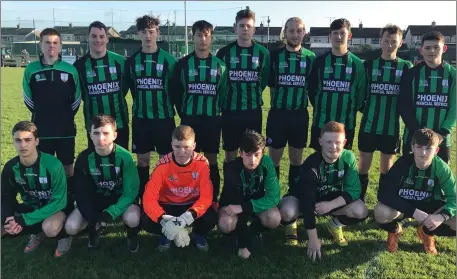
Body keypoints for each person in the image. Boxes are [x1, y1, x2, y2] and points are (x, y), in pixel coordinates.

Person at [280, 121, 368, 260]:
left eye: (338, 142)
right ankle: (291, 225)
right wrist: (313, 239)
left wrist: (331, 205)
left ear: (344, 142)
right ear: (320, 142)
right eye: (328, 142)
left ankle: (334, 225)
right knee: (287, 210)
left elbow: (354, 190)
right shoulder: (312, 164)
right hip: (303, 200)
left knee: (361, 210)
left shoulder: (348, 157)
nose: (334, 147)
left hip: (328, 201)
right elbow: (307, 200)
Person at [170, 20, 228, 205]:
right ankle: (187, 198)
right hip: (189, 120)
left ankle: (213, 199)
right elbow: (176, 93)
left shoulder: (220, 66)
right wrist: (184, 113)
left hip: (212, 121)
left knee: (211, 160)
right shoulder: (182, 65)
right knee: (187, 159)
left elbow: (224, 94)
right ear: (192, 37)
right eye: (198, 35)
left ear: (211, 38)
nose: (202, 39)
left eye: (206, 35)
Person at [64, 115, 141, 253]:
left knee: (133, 217)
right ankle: (95, 230)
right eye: (96, 133)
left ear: (115, 135)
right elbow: (81, 193)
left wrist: (111, 213)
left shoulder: (125, 157)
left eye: (106, 133)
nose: (101, 138)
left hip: (120, 199)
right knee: (71, 226)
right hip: (96, 201)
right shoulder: (84, 158)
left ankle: (132, 235)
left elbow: (131, 191)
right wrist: (92, 217)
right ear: (90, 135)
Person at [375, 128, 456, 254]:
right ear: (412, 147)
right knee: (381, 211)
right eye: (419, 147)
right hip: (404, 206)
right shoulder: (403, 163)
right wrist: (413, 212)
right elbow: (384, 193)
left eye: (429, 148)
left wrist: (441, 216)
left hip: (430, 207)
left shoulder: (442, 168)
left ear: (436, 151)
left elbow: (454, 197)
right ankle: (395, 230)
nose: (423, 153)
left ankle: (426, 232)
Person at [357, 25, 413, 201]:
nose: (390, 45)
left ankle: (383, 200)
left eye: (394, 41)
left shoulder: (406, 67)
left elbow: (407, 97)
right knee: (364, 164)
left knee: (386, 167)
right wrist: (365, 108)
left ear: (400, 43)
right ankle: (359, 198)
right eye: (386, 40)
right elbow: (360, 94)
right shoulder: (368, 65)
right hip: (368, 125)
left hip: (392, 127)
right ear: (380, 41)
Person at [125, 15, 177, 202]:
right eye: (144, 32)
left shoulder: (169, 61)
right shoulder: (131, 62)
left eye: (151, 31)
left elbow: (176, 89)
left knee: (165, 161)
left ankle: (165, 198)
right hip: (141, 119)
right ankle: (144, 199)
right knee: (143, 161)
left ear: (158, 32)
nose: (148, 35)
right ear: (138, 33)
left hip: (164, 119)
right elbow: (129, 87)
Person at [141, 125, 217, 252]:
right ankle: (167, 234)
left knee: (211, 217)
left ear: (194, 146)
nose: (182, 152)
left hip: (191, 204)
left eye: (186, 147)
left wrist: (187, 217)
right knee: (146, 220)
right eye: (177, 147)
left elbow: (206, 197)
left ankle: (198, 234)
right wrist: (165, 220)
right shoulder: (162, 165)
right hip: (168, 205)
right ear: (171, 145)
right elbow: (149, 198)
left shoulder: (202, 163)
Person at [1, 121, 72, 257]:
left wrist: (23, 220)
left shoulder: (53, 165)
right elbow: (5, 195)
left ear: (37, 141)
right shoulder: (11, 167)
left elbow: (59, 202)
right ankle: (37, 232)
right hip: (31, 207)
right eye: (18, 140)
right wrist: (8, 218)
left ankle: (64, 236)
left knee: (50, 228)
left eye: (28, 140)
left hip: (55, 210)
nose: (23, 145)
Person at [22, 27, 81, 188]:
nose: (51, 46)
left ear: (60, 45)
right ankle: (46, 202)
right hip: (41, 129)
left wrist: (65, 115)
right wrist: (42, 113)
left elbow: (77, 99)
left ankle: (68, 203)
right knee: (43, 168)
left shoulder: (70, 70)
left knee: (68, 168)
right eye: (47, 42)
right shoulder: (31, 70)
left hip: (66, 129)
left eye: (55, 42)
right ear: (41, 45)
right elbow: (28, 99)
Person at [216, 8, 270, 164]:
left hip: (252, 111)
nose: (245, 29)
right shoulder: (224, 53)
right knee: (230, 152)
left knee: (252, 152)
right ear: (235, 28)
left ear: (254, 29)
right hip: (230, 112)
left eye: (248, 26)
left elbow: (264, 79)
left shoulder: (263, 53)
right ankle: (231, 187)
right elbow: (220, 81)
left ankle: (250, 187)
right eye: (241, 26)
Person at [218, 130, 281, 259]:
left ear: (262, 153)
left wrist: (245, 207)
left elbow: (274, 197)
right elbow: (236, 207)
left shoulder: (267, 163)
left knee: (274, 217)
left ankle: (254, 232)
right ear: (241, 153)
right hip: (233, 206)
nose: (252, 160)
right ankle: (234, 236)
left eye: (257, 154)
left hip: (252, 205)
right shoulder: (232, 168)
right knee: (226, 223)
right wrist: (243, 246)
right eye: (248, 154)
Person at [267, 17, 315, 183]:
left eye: (299, 30)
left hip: (299, 115)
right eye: (291, 31)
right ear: (285, 32)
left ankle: (293, 195)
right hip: (278, 115)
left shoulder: (311, 58)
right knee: (274, 159)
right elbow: (270, 84)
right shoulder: (274, 56)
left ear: (304, 33)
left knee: (296, 159)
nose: (295, 34)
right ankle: (272, 197)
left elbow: (313, 87)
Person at [308, 18, 366, 152]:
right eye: (335, 33)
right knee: (319, 159)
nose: (338, 37)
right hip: (321, 122)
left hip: (346, 124)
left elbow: (361, 94)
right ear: (330, 36)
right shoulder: (319, 62)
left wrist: (349, 108)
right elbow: (312, 90)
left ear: (349, 36)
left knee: (342, 160)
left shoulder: (357, 65)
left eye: (342, 33)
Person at [399, 31, 456, 164]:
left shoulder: (453, 75)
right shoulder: (412, 74)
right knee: (410, 176)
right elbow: (404, 105)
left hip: (442, 139)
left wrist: (442, 133)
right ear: (421, 50)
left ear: (444, 48)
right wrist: (417, 131)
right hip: (413, 137)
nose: (432, 51)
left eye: (436, 47)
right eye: (428, 47)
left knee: (438, 178)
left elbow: (454, 108)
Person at [74, 21, 130, 150]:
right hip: (94, 126)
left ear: (107, 39)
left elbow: (125, 88)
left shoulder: (121, 62)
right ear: (88, 38)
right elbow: (80, 93)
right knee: (97, 165)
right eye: (93, 36)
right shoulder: (79, 66)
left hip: (119, 123)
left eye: (101, 36)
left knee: (120, 161)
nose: (98, 40)